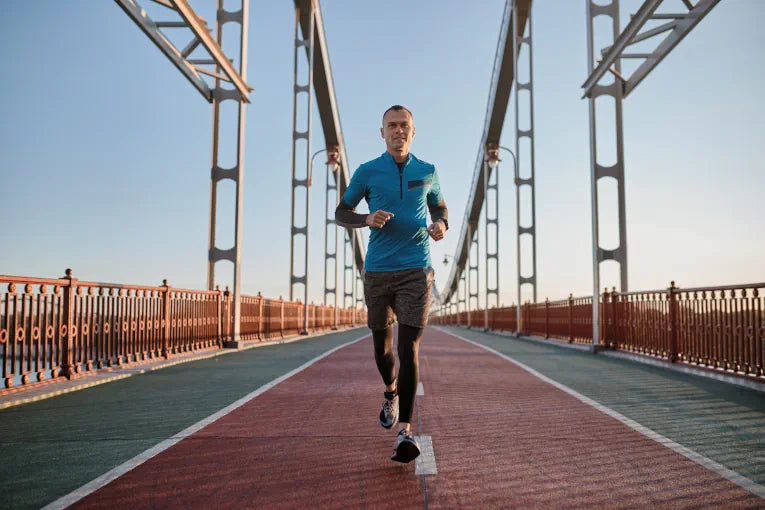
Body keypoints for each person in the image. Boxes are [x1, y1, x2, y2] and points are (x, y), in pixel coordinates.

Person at [335, 105, 448, 463]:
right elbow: (341, 213)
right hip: (379, 270)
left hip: (417, 268)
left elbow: (440, 209)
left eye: (404, 126)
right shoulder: (368, 171)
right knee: (383, 353)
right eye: (391, 126)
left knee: (408, 349)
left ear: (414, 132)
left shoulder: (427, 171)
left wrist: (442, 225)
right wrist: (366, 218)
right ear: (381, 132)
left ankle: (405, 433)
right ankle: (390, 390)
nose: (398, 131)